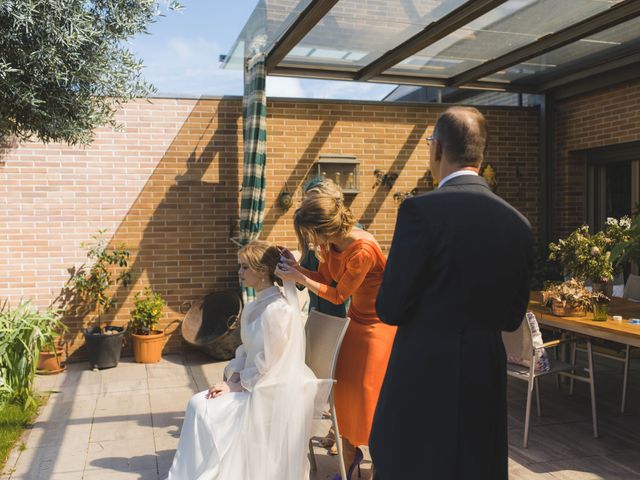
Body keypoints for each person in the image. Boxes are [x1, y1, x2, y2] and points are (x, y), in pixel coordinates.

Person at [370, 106, 533, 480]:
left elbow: (391, 307)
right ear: (481, 153)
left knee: (413, 463)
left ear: (437, 149)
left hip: (423, 367)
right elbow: (511, 317)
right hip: (484, 368)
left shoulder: (420, 212)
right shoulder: (518, 224)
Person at [166, 240, 325, 480]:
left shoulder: (278, 310)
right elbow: (245, 351)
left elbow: (272, 363)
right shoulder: (253, 307)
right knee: (199, 404)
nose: (240, 273)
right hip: (252, 381)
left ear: (262, 272)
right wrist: (235, 377)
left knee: (200, 406)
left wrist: (236, 385)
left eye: (244, 267)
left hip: (271, 389)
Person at [276, 194, 396, 480]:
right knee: (343, 390)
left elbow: (339, 294)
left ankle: (382, 458)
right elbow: (324, 279)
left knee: (369, 396)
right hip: (354, 322)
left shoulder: (362, 249)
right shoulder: (331, 243)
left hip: (377, 328)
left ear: (325, 227)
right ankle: (351, 452)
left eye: (311, 233)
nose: (312, 240)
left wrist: (300, 279)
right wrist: (296, 268)